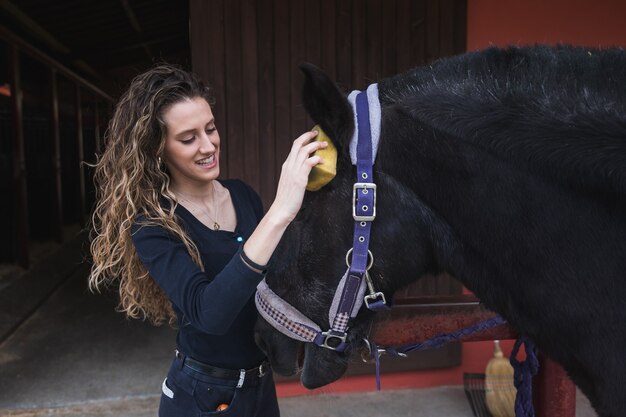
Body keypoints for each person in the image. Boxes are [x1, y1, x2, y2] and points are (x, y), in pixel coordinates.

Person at [88, 64, 325, 416]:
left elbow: (276, 282)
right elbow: (209, 314)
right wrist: (279, 214)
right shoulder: (153, 225)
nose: (208, 145)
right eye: (188, 138)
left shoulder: (242, 195)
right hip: (203, 396)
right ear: (159, 148)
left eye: (210, 129)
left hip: (261, 388)